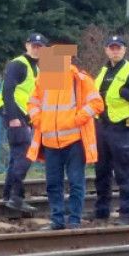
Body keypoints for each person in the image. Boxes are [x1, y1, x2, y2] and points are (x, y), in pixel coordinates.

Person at [25, 37, 103, 230]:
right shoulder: (45, 79)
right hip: (51, 142)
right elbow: (33, 103)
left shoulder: (80, 79)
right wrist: (38, 121)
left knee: (76, 183)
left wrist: (77, 119)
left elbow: (97, 104)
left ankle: (74, 220)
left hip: (74, 141)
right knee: (53, 184)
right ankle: (58, 220)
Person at [92, 35, 129, 226]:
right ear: (106, 50)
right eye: (111, 48)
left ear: (124, 50)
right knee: (101, 172)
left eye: (118, 48)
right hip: (101, 127)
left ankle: (126, 214)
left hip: (121, 129)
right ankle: (101, 212)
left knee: (123, 173)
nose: (115, 51)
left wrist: (123, 92)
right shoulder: (103, 71)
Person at [0, 33, 48, 215]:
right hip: (14, 114)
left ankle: (8, 195)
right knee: (26, 154)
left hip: (23, 117)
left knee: (17, 156)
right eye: (33, 45)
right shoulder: (18, 64)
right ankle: (16, 197)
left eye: (40, 47)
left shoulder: (37, 68)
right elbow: (7, 91)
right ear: (27, 45)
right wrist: (13, 117)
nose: (36, 49)